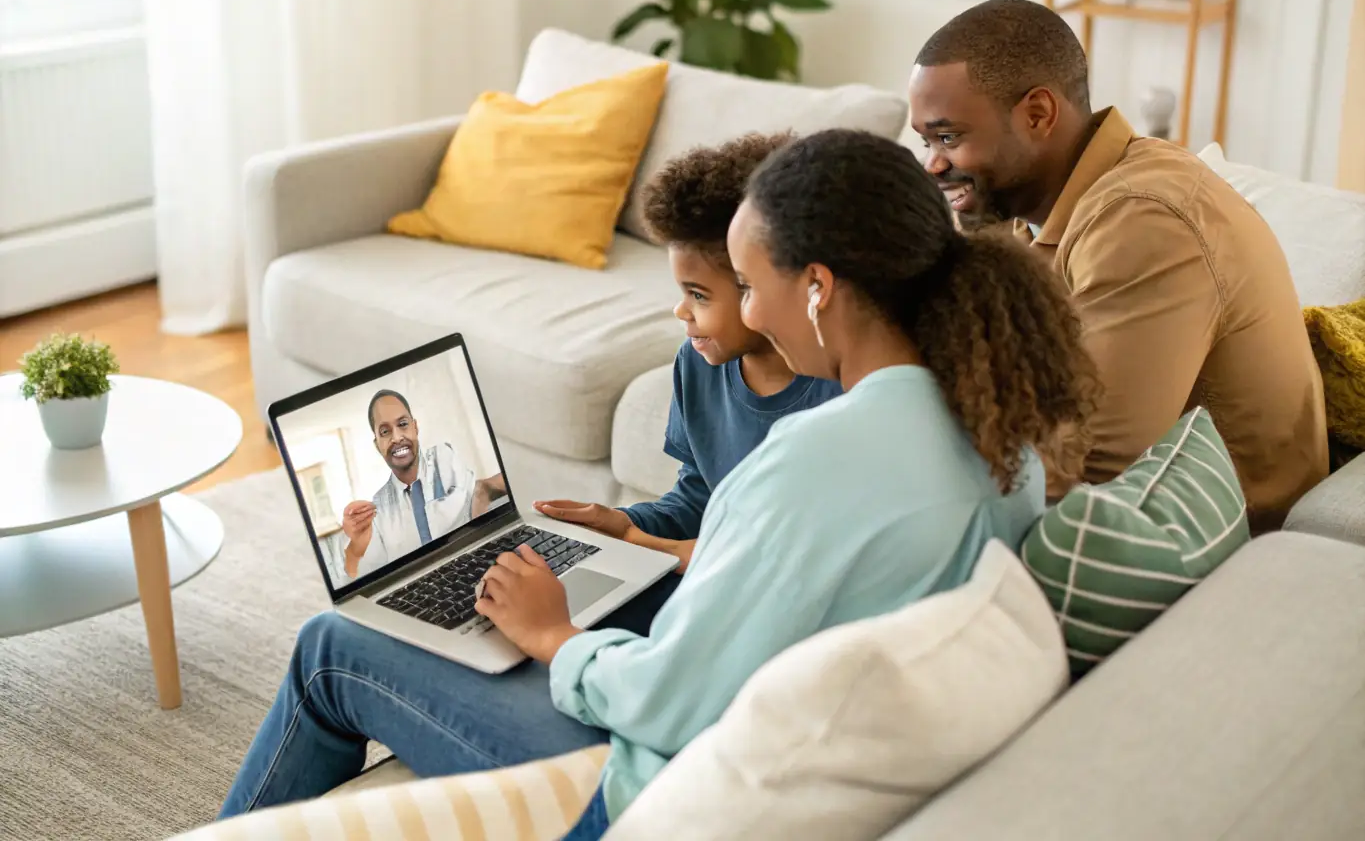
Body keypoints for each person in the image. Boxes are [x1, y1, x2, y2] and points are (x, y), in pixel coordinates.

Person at [220, 129, 1097, 839]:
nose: (747, 312)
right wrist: (628, 554)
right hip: (792, 728)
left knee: (331, 647)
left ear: (819, 288)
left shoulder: (810, 458)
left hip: (655, 791)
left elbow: (669, 703)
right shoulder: (998, 433)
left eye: (749, 286)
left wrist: (556, 636)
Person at [908, 0, 1328, 531]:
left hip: (1206, 538)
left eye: (948, 137)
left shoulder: (1142, 217)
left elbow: (1094, 466)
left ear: (1038, 114)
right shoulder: (1025, 210)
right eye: (926, 141)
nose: (933, 165)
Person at [533, 132, 843, 586]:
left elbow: (801, 554)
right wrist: (619, 525)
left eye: (698, 295)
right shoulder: (698, 364)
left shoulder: (842, 390)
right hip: (714, 576)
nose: (682, 312)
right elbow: (699, 499)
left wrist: (652, 547)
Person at [340, 389, 508, 579]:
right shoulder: (378, 509)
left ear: (415, 427)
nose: (396, 438)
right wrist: (356, 549)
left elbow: (477, 497)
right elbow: (360, 577)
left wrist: (482, 492)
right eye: (385, 432)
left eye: (403, 424)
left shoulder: (444, 458)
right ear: (377, 445)